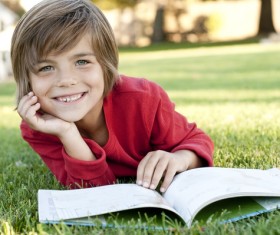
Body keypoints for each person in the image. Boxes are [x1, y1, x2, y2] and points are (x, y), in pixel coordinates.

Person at [11, 0, 214, 193]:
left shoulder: (143, 99)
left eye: (82, 62)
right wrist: (67, 133)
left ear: (105, 65)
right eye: (46, 67)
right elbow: (89, 189)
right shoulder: (39, 127)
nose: (66, 80)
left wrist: (181, 158)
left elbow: (197, 140)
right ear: (27, 78)